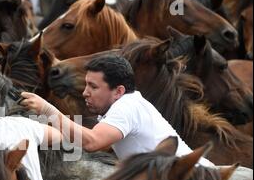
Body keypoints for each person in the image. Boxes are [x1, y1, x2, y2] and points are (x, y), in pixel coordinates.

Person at [20, 54, 214, 166]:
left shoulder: (126, 107)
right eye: (86, 85)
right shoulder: (127, 104)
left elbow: (92, 142)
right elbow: (83, 137)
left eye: (93, 87)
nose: (85, 93)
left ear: (118, 91)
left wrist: (48, 111)